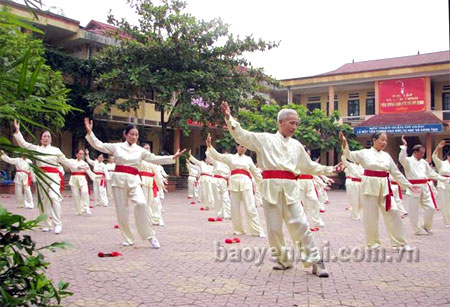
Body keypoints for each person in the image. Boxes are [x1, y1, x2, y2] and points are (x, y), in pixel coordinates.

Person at [221, 101, 343, 277]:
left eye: (296, 123)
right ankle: (282, 260)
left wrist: (331, 169)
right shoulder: (264, 139)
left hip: (291, 188)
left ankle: (315, 261)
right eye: (292, 123)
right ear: (280, 122)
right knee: (274, 228)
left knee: (301, 225)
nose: (295, 127)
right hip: (270, 188)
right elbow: (242, 136)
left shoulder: (297, 146)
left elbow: (308, 166)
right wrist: (229, 118)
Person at [84, 118, 185, 248]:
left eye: (136, 135)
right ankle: (127, 238)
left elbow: (154, 159)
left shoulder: (140, 150)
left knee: (142, 204)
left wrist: (172, 157)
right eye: (131, 134)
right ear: (125, 134)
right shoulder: (117, 147)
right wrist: (90, 132)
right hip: (119, 181)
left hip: (134, 181)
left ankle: (150, 235)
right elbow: (99, 145)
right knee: (122, 211)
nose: (134, 137)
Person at [340, 131, 420, 251]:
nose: (384, 142)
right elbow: (349, 155)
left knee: (394, 212)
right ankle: (372, 243)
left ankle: (399, 243)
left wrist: (408, 185)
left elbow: (396, 172)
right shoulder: (364, 153)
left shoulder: (386, 156)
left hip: (384, 186)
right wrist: (344, 142)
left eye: (386, 140)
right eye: (382, 140)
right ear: (374, 140)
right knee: (371, 216)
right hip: (369, 186)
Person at [13, 119, 77, 234]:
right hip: (41, 177)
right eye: (44, 136)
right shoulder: (36, 149)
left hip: (54, 177)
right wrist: (18, 131)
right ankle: (46, 224)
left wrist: (77, 166)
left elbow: (65, 161)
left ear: (51, 139)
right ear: (41, 138)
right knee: (44, 201)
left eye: (48, 136)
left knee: (54, 197)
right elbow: (24, 144)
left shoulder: (55, 150)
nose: (46, 138)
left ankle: (58, 223)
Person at [206, 135, 265, 237]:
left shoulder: (248, 159)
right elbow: (218, 156)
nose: (242, 148)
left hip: (246, 184)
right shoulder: (230, 157)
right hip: (233, 184)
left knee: (250, 208)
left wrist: (263, 184)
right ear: (237, 147)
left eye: (244, 147)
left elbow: (256, 173)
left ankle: (257, 231)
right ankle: (238, 230)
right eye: (241, 146)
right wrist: (210, 146)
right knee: (235, 209)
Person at [398, 136, 448, 235]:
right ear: (415, 152)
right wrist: (404, 146)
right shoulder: (408, 161)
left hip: (425, 186)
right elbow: (401, 158)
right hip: (414, 187)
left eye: (423, 153)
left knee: (431, 207)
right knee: (414, 210)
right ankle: (416, 229)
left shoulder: (424, 162)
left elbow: (431, 174)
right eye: (421, 153)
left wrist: (445, 179)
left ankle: (427, 226)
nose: (423, 155)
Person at [139, 143, 166, 227]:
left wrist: (161, 184)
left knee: (155, 200)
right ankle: (147, 219)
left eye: (149, 148)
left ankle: (157, 218)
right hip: (142, 181)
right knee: (144, 201)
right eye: (146, 148)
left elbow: (156, 172)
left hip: (151, 181)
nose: (148, 150)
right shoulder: (138, 158)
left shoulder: (152, 159)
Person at [66, 149, 99, 216]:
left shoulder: (84, 163)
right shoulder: (72, 161)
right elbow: (66, 162)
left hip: (82, 178)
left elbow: (89, 172)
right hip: (74, 178)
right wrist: (78, 167)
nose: (81, 155)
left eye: (82, 154)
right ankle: (79, 210)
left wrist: (96, 177)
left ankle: (86, 207)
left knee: (85, 191)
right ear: (76, 154)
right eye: (80, 153)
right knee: (76, 195)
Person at [206, 147, 232, 219]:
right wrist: (208, 147)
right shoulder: (217, 161)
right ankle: (219, 214)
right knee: (217, 198)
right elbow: (209, 156)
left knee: (226, 198)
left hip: (225, 181)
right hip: (216, 180)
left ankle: (227, 214)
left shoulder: (230, 164)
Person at [432, 140, 450, 228]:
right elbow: (434, 157)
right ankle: (447, 222)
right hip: (443, 184)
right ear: (448, 157)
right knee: (445, 204)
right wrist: (438, 148)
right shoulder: (442, 164)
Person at [342, 155, 363, 220]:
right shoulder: (351, 165)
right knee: (354, 199)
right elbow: (344, 160)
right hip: (353, 183)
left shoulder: (363, 167)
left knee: (361, 201)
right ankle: (356, 215)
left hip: (361, 184)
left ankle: (355, 211)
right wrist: (345, 152)